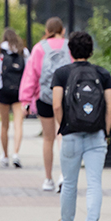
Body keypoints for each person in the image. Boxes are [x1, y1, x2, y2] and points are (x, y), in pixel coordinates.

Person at [51, 31, 111, 221]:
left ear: (70, 51)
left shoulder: (61, 74)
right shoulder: (102, 74)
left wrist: (64, 126)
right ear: (91, 51)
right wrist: (105, 131)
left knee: (69, 183)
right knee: (95, 183)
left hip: (71, 134)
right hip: (96, 134)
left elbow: (57, 104)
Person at [19, 17, 71, 191]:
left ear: (47, 31)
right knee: (62, 135)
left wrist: (26, 100)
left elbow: (31, 75)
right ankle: (64, 175)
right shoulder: (68, 46)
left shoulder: (39, 48)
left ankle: (48, 178)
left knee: (48, 138)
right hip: (65, 96)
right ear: (62, 30)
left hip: (45, 96)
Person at [0, 28, 30, 168]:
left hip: (3, 90)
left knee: (4, 125)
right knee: (18, 124)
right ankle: (16, 154)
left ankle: (5, 155)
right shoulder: (23, 51)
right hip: (19, 91)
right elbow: (29, 72)